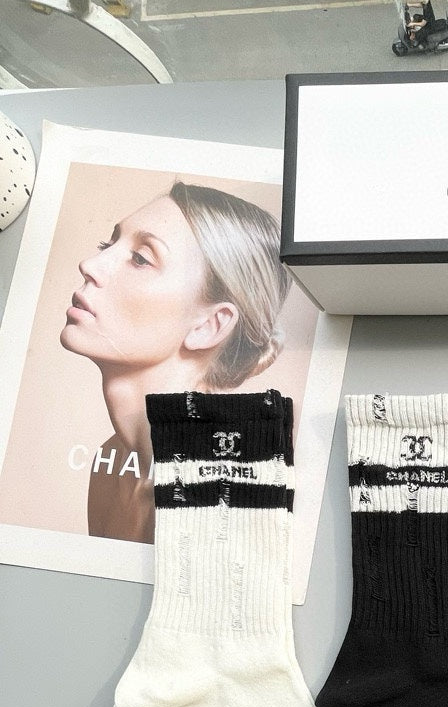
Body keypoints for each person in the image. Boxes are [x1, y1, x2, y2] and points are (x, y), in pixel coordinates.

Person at [59, 180, 292, 544]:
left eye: (141, 258)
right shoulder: (112, 461)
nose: (89, 264)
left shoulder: (221, 498)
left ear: (208, 325)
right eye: (108, 244)